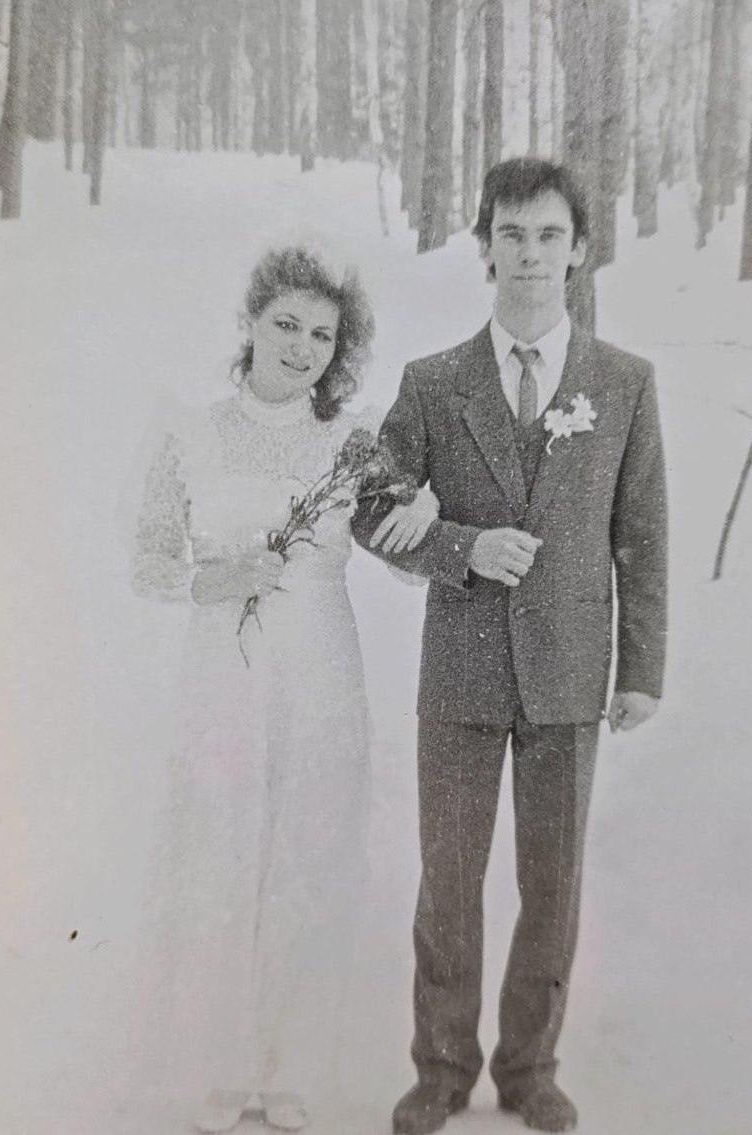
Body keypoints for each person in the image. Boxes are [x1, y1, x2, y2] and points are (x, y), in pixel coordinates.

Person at [351, 157, 668, 1134]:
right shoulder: (434, 382)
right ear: (484, 248)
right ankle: (441, 1068)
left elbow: (642, 535)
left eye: (549, 236)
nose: (530, 254)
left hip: (570, 672)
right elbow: (369, 505)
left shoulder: (623, 383)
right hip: (460, 671)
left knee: (552, 885)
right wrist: (460, 548)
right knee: (448, 881)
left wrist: (641, 670)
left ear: (579, 251)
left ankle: (530, 1068)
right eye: (512, 235)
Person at [130, 245, 437, 1133]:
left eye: (322, 336)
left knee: (308, 851)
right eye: (286, 325)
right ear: (251, 323)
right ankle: (218, 1067)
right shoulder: (190, 433)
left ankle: (289, 1064)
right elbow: (151, 558)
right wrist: (216, 578)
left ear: (339, 350)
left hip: (319, 669)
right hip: (224, 670)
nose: (302, 348)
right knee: (221, 849)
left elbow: (406, 555)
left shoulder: (353, 443)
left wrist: (422, 512)